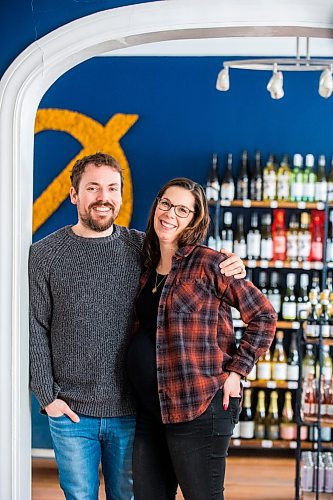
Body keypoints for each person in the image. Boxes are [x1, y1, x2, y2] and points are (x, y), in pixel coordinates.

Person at [29, 153, 246, 500]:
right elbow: (35, 329)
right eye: (93, 187)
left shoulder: (138, 247)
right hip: (70, 412)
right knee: (78, 495)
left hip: (132, 410)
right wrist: (47, 396)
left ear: (121, 196)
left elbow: (189, 260)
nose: (104, 196)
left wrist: (230, 263)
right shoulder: (43, 255)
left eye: (112, 188)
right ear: (73, 194)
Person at [126, 177, 277, 500]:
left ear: (195, 220)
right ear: (156, 205)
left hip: (199, 407)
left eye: (183, 210)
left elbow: (263, 315)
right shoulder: (146, 264)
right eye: (166, 204)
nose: (170, 214)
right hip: (152, 412)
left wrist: (238, 372)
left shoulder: (210, 263)